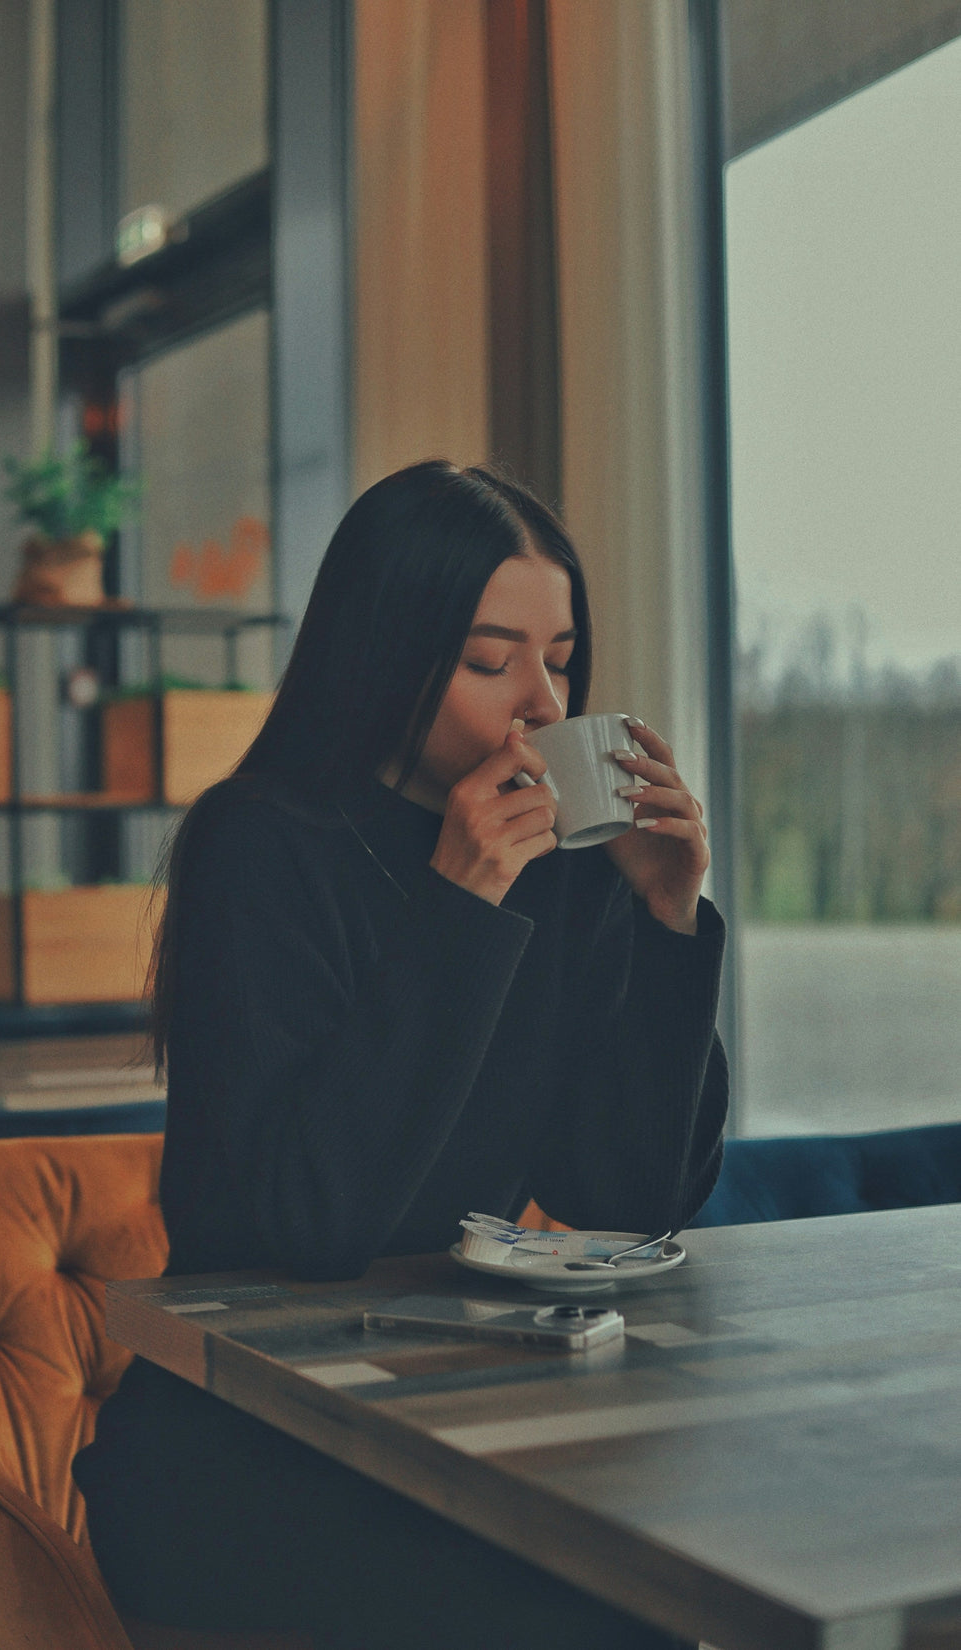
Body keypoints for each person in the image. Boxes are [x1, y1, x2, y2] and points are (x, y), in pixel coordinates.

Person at [75, 460, 728, 1650]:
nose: (540, 701)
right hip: (249, 1447)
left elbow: (626, 1198)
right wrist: (460, 903)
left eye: (560, 658)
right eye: (490, 660)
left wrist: (668, 922)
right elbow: (313, 1227)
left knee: (688, 1568)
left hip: (460, 1413)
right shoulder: (258, 845)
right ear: (386, 653)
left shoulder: (564, 863)